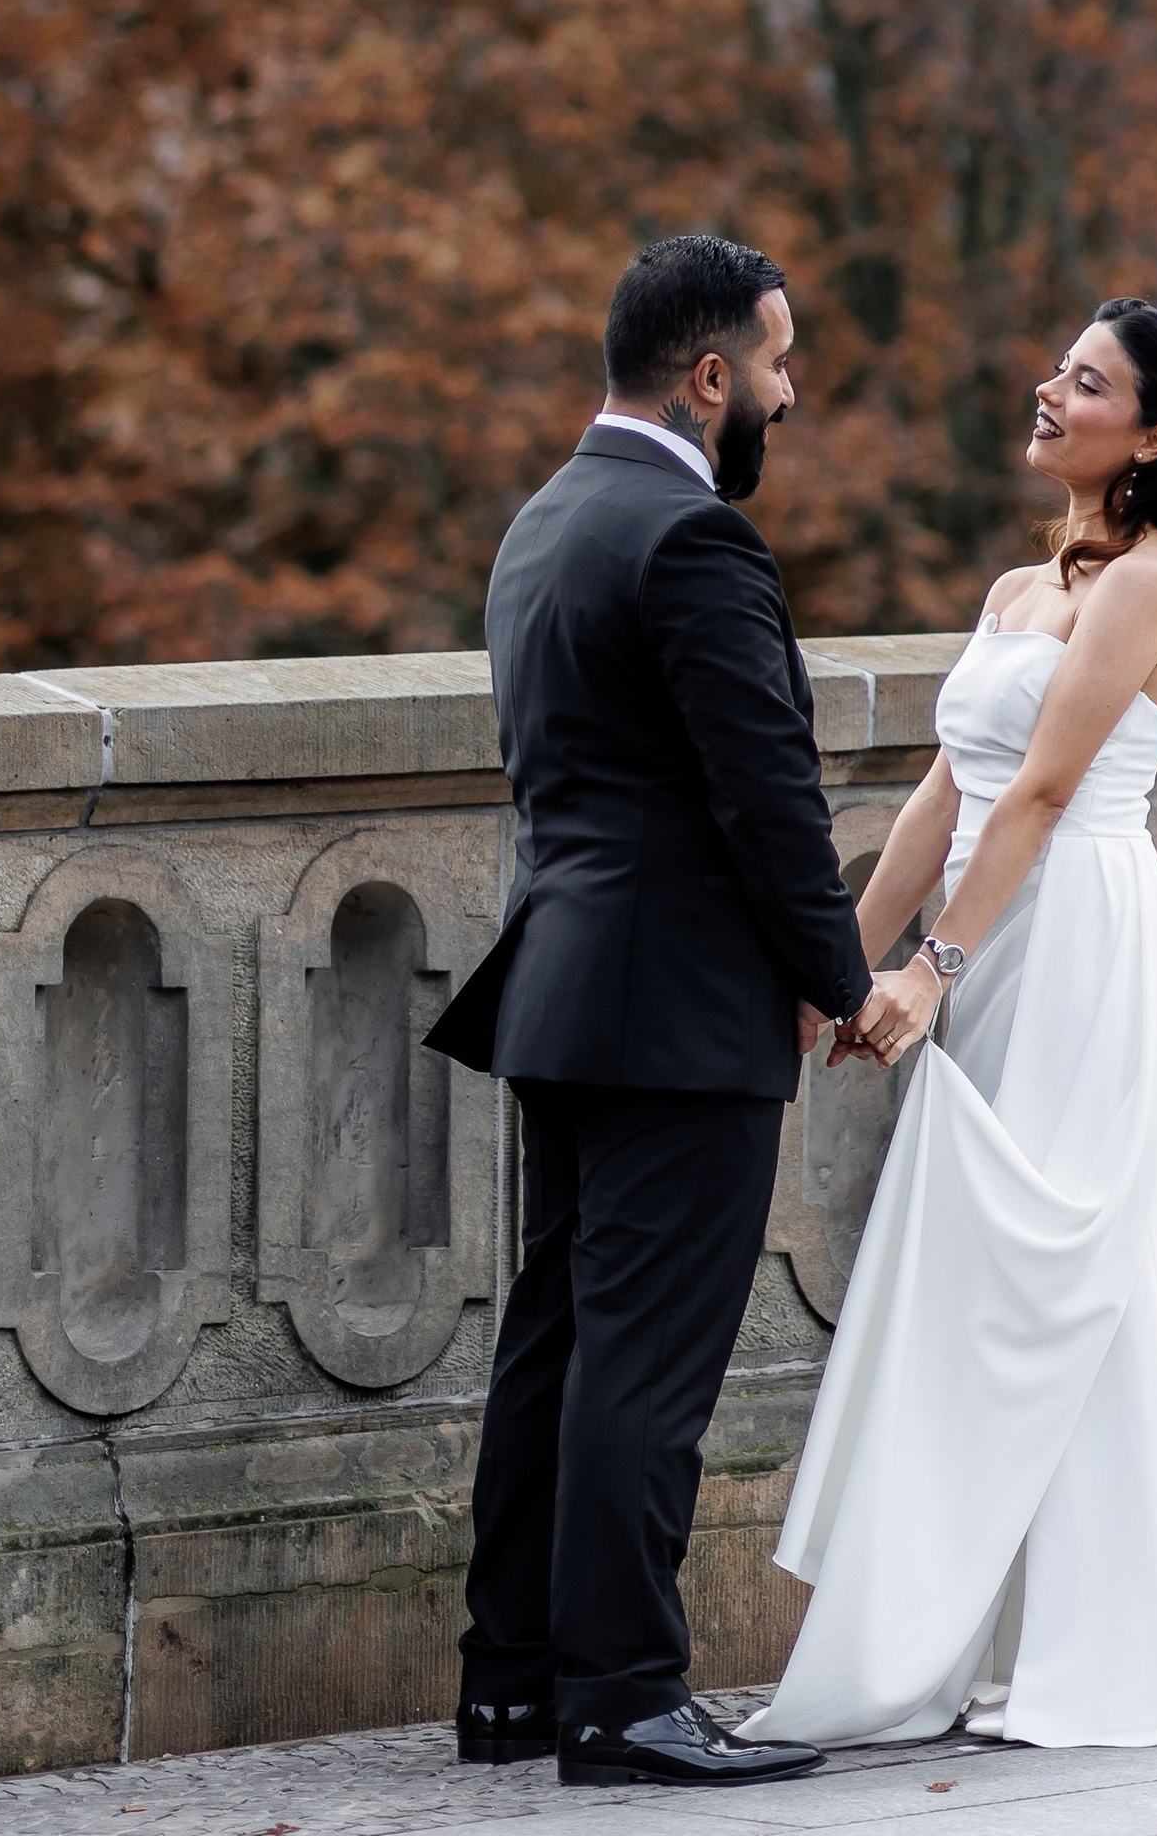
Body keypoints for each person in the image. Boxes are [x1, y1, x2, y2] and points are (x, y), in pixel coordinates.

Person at [427, 232, 900, 1789]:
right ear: (709, 379)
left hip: (560, 991)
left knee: (555, 1347)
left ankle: (512, 1685)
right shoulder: (693, 543)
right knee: (645, 1362)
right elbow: (765, 796)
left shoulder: (545, 521)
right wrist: (845, 981)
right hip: (675, 1010)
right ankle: (623, 1695)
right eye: (773, 364)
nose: (787, 391)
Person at [748, 297, 1157, 1752]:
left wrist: (934, 970)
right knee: (979, 1281)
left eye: (1086, 385)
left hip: (1078, 943)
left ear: (1151, 438)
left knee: (1061, 1281)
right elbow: (945, 794)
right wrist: (839, 967)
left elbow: (1038, 796)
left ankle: (1095, 1651)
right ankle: (957, 1627)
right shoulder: (1023, 590)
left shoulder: (1149, 587)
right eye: (1057, 370)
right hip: (994, 930)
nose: (1048, 391)